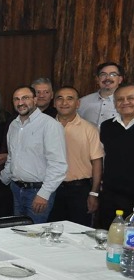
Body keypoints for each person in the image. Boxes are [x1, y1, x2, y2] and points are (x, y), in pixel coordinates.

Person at [0, 86, 67, 224]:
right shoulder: (13, 125)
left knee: (35, 234)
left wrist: (44, 194)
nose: (20, 103)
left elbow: (58, 165)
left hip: (37, 192)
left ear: (35, 100)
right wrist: (0, 181)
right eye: (16, 99)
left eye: (25, 98)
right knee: (17, 232)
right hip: (16, 190)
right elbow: (11, 158)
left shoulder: (50, 125)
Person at [49, 87, 104, 226]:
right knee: (50, 230)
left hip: (79, 190)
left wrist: (94, 193)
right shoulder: (46, 127)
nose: (64, 103)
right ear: (54, 103)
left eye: (70, 98)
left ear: (78, 103)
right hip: (51, 189)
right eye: (60, 98)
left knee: (79, 232)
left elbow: (97, 162)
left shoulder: (89, 129)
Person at [98, 84, 134, 228]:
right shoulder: (107, 126)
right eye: (120, 99)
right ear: (114, 103)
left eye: (130, 98)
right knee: (108, 234)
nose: (125, 102)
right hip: (111, 195)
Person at [79, 62, 125, 127]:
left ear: (120, 79)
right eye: (103, 74)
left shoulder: (128, 103)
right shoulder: (83, 102)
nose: (107, 78)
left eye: (113, 74)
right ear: (97, 79)